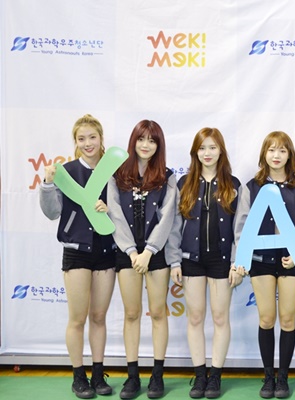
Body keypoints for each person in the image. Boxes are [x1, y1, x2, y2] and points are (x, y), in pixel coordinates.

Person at [233, 131, 295, 399]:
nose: (276, 155)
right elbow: (241, 226)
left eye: (282, 150)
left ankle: (283, 377)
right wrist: (241, 259)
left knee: (288, 319)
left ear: (290, 155)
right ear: (264, 154)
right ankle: (268, 376)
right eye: (271, 150)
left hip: (291, 261)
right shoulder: (252, 187)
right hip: (261, 261)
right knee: (267, 318)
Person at [40, 114, 116, 399]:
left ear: (101, 138)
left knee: (99, 316)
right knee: (77, 318)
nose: (87, 143)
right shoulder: (66, 172)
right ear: (75, 142)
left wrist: (109, 209)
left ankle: (98, 374)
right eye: (81, 139)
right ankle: (78, 376)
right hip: (76, 252)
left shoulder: (113, 171)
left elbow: (123, 212)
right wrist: (48, 183)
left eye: (92, 137)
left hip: (106, 251)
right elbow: (52, 212)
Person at [167, 128, 245, 399]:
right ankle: (200, 376)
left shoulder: (234, 184)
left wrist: (237, 262)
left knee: (221, 317)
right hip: (191, 260)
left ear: (221, 150)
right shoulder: (183, 183)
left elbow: (240, 227)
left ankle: (216, 376)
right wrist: (174, 260)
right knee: (196, 317)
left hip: (221, 261)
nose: (207, 153)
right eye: (202, 148)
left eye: (212, 147)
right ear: (195, 152)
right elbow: (174, 226)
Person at [107, 120, 177, 399]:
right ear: (133, 141)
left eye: (152, 140)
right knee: (132, 313)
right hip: (127, 254)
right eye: (141, 139)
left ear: (159, 145)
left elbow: (168, 217)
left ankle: (157, 376)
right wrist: (132, 252)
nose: (146, 145)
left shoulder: (167, 177)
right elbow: (114, 214)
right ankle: (132, 376)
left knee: (158, 312)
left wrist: (149, 251)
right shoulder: (117, 175)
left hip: (156, 254)